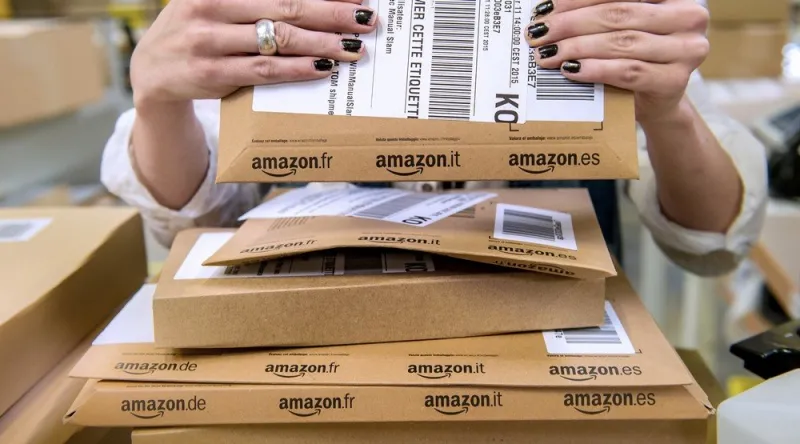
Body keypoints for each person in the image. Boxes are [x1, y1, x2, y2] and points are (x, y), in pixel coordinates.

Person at [102, 0, 768, 277]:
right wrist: (159, 101)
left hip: (557, 372)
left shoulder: (592, 5)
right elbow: (194, 213)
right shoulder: (292, 3)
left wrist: (668, 109)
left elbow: (708, 241)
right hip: (335, 363)